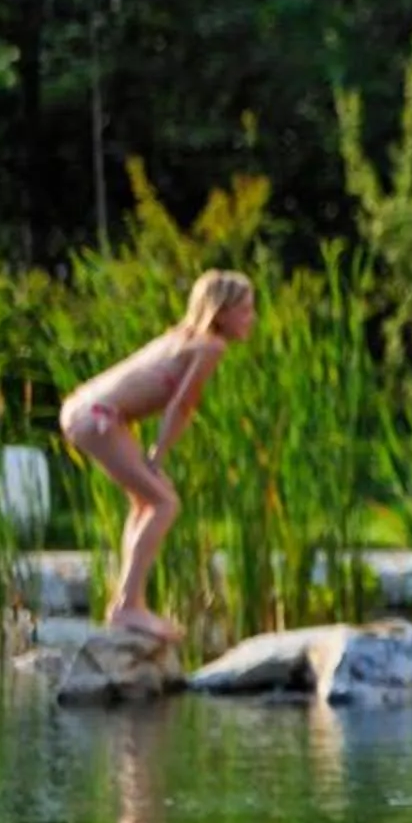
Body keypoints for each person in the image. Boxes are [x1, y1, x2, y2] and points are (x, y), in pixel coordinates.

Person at [58, 270, 258, 640]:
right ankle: (127, 607)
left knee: (146, 502)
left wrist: (151, 460)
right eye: (245, 310)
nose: (252, 318)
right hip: (98, 417)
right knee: (165, 503)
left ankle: (125, 603)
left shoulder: (180, 337)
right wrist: (157, 454)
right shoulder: (209, 346)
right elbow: (182, 405)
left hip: (88, 410)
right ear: (221, 311)